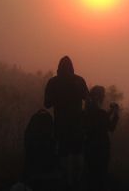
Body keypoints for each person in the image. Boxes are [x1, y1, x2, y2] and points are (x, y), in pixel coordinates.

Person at [44, 56, 89, 190]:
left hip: (61, 126)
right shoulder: (79, 80)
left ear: (59, 67)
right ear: (72, 67)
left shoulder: (53, 82)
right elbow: (88, 99)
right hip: (77, 126)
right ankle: (76, 184)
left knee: (63, 155)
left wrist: (58, 97)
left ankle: (65, 184)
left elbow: (46, 104)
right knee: (77, 155)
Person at [84, 85, 119, 191]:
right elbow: (111, 127)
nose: (104, 97)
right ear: (99, 97)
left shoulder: (86, 112)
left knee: (91, 176)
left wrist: (110, 112)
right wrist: (116, 114)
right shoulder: (101, 114)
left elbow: (100, 119)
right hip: (102, 149)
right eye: (103, 95)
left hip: (89, 148)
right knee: (100, 177)